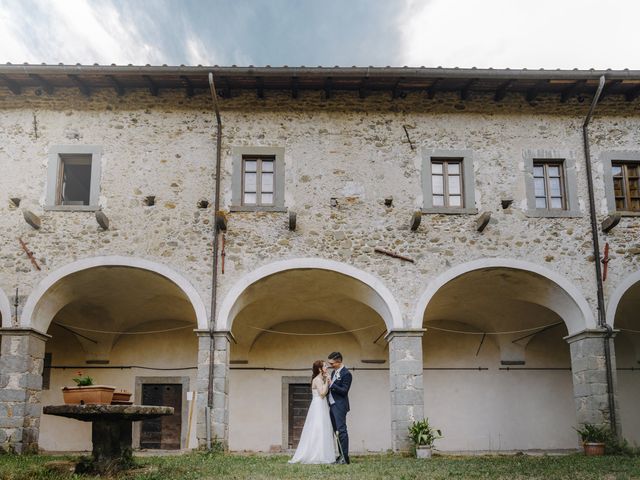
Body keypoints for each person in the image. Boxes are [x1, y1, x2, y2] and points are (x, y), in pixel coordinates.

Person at [288, 360, 336, 464]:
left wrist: (326, 381)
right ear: (320, 369)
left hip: (321, 405)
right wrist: (328, 382)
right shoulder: (317, 379)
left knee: (322, 428)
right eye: (325, 366)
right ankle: (317, 455)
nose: (327, 367)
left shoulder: (320, 379)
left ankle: (323, 453)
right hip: (318, 406)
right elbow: (322, 393)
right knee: (318, 428)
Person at [327, 351, 352, 464]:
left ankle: (345, 458)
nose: (330, 365)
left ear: (338, 362)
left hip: (340, 406)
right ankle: (340, 455)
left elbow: (344, 391)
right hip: (332, 405)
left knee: (342, 431)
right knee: (336, 432)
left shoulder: (347, 374)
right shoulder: (333, 373)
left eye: (332, 363)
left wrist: (332, 384)